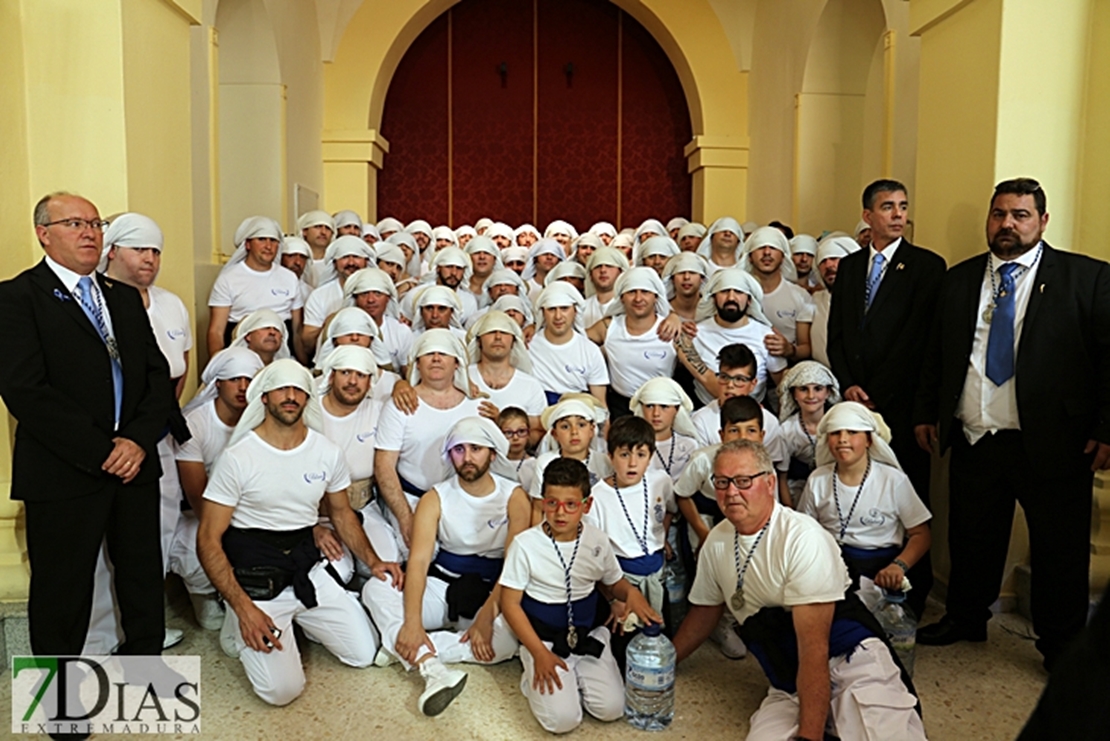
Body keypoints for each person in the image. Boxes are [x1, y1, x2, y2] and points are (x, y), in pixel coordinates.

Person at [913, 177, 1110, 670]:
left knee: (1059, 550)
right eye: (999, 214)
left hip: (1055, 443)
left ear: (1043, 221)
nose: (1007, 224)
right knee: (972, 537)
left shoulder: (1086, 279)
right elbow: (935, 355)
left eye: (1020, 215)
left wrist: (1107, 427)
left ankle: (1062, 645)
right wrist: (925, 412)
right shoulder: (959, 280)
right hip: (978, 435)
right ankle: (966, 617)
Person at [0, 193, 178, 666]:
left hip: (134, 465)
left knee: (142, 577)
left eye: (96, 224)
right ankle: (60, 705)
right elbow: (25, 389)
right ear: (43, 233)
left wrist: (137, 440)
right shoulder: (16, 297)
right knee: (63, 590)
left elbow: (157, 378)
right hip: (64, 469)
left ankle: (145, 671)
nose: (90, 233)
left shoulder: (121, 298)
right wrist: (104, 449)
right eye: (75, 223)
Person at [672, 440, 926, 740]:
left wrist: (809, 737)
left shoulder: (802, 538)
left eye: (743, 481)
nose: (731, 492)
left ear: (769, 483)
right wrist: (663, 662)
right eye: (722, 482)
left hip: (850, 658)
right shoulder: (716, 540)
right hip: (788, 677)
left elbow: (815, 649)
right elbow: (705, 611)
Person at [197, 360, 400, 706]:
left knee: (363, 654)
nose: (290, 396)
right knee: (281, 692)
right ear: (264, 397)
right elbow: (208, 539)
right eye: (281, 389)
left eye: (298, 390)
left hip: (306, 566)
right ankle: (236, 617)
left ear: (308, 398)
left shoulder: (326, 453)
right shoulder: (238, 458)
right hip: (257, 576)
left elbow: (340, 514)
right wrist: (246, 609)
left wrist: (374, 560)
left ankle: (301, 619)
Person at [84, 213, 194, 653]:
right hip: (107, 443)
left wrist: (152, 425)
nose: (149, 260)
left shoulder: (171, 303)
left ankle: (143, 628)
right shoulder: (95, 301)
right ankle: (100, 634)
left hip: (157, 434)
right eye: (139, 250)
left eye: (155, 251)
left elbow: (176, 371)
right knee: (100, 545)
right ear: (112, 251)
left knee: (156, 533)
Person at [363, 417, 523, 716]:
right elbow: (420, 562)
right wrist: (412, 622)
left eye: (476, 448)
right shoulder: (436, 497)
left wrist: (486, 618)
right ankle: (431, 667)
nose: (467, 458)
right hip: (444, 585)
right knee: (376, 588)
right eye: (459, 450)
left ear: (491, 453)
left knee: (507, 642)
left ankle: (400, 647)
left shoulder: (514, 497)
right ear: (450, 456)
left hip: (492, 592)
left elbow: (514, 568)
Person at [499, 457, 660, 734]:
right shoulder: (525, 545)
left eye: (571, 504)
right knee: (563, 721)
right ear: (543, 502)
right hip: (544, 640)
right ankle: (529, 664)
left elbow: (614, 581)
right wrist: (539, 652)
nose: (560, 513)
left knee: (611, 710)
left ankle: (580, 671)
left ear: (586, 505)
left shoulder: (597, 540)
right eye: (552, 503)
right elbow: (509, 603)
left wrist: (630, 593)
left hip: (587, 634)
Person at [826, 179, 945, 552]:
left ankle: (909, 587)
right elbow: (838, 335)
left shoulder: (926, 266)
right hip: (854, 400)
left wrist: (876, 392)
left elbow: (919, 341)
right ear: (867, 215)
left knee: (906, 492)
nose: (898, 215)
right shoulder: (849, 266)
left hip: (902, 403)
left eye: (903, 207)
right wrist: (848, 385)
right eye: (888, 207)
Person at [801, 402, 932, 616]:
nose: (842, 439)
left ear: (869, 439)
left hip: (880, 570)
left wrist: (898, 566)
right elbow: (805, 531)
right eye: (835, 433)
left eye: (852, 432)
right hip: (830, 567)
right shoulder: (817, 480)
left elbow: (921, 534)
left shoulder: (893, 480)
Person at [373, 330, 484, 562]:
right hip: (411, 497)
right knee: (420, 551)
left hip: (460, 497)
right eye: (428, 354)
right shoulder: (398, 406)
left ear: (456, 363)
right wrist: (405, 517)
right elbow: (384, 467)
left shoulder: (477, 406)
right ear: (417, 364)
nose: (436, 358)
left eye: (443, 353)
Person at [174, 347, 265, 632]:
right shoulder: (195, 424)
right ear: (218, 384)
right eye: (234, 379)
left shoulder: (262, 420)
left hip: (245, 508)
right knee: (199, 544)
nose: (242, 387)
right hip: (195, 514)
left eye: (249, 380)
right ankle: (203, 597)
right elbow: (197, 497)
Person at [585, 416, 676, 636]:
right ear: (610, 456)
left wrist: (661, 537)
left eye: (641, 455)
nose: (633, 463)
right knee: (627, 641)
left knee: (661, 637)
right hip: (622, 578)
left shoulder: (660, 481)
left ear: (651, 456)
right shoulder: (598, 496)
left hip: (656, 570)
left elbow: (670, 509)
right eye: (624, 455)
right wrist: (613, 598)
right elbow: (595, 555)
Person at [674, 267, 787, 407]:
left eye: (739, 292)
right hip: (704, 410)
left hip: (756, 413)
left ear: (749, 300)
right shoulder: (695, 333)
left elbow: (782, 385)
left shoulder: (766, 336)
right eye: (724, 291)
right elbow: (707, 380)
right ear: (714, 298)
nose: (731, 298)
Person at [208, 216, 305, 361]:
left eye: (273, 241)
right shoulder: (228, 279)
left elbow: (297, 331)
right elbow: (216, 331)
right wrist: (220, 365)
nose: (268, 246)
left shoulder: (289, 278)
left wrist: (303, 363)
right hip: (240, 357)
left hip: (281, 355)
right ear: (247, 245)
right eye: (261, 239)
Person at [586, 267, 677, 418]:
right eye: (632, 292)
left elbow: (703, 375)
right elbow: (572, 340)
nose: (638, 298)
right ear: (621, 297)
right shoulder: (608, 327)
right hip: (620, 408)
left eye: (645, 292)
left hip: (661, 408)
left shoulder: (670, 329)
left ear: (656, 296)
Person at [467, 310, 547, 443]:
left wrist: (504, 422)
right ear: (479, 341)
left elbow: (540, 429)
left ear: (513, 342)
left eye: (504, 333)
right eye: (491, 332)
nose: (498, 337)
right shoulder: (463, 378)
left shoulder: (530, 385)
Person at [528, 282, 609, 408]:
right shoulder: (529, 345)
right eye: (552, 309)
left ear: (575, 311)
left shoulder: (590, 351)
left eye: (564, 309)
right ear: (543, 312)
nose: (558, 316)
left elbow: (600, 404)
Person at [742, 226, 814, 363]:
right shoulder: (736, 294)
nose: (767, 253)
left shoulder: (801, 296)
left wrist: (789, 349)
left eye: (773, 248)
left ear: (783, 257)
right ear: (750, 257)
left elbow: (806, 347)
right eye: (761, 247)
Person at [777, 361, 841, 507]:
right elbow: (782, 478)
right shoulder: (786, 431)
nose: (811, 396)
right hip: (798, 490)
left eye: (818, 389)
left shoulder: (838, 424)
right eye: (803, 389)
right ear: (794, 394)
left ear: (828, 393)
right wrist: (791, 514)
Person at [301, 235, 375, 353]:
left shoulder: (379, 295)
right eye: (345, 257)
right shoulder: (319, 295)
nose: (351, 262)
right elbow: (308, 340)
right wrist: (330, 323)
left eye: (356, 257)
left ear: (366, 261)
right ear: (335, 263)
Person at [630, 377, 700, 483]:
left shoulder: (690, 445)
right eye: (649, 406)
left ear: (676, 410)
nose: (656, 413)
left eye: (664, 406)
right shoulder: (630, 445)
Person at [809, 236, 860, 368]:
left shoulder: (867, 300)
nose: (828, 265)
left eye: (834, 259)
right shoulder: (815, 299)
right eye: (823, 261)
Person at [582, 246, 630, 327]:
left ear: (621, 272)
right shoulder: (581, 308)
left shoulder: (630, 306)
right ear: (590, 275)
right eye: (598, 266)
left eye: (609, 265)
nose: (603, 270)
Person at [297, 209, 336, 286]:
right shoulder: (294, 261)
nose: (323, 232)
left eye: (327, 228)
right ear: (304, 231)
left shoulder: (335, 264)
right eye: (318, 227)